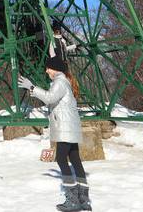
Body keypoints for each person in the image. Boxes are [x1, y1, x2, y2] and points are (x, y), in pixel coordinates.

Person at [18, 56, 91, 212]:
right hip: (70, 127)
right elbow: (53, 100)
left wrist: (32, 88)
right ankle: (84, 200)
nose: (46, 71)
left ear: (55, 69)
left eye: (48, 68)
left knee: (61, 159)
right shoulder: (64, 82)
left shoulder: (60, 82)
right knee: (75, 160)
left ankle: (73, 201)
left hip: (65, 128)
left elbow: (50, 97)